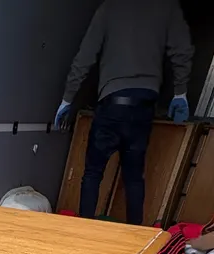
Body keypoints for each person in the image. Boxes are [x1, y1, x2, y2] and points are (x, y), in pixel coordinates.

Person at [54, 0, 194, 225]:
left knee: (92, 174)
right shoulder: (168, 7)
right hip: (144, 106)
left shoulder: (109, 8)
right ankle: (135, 241)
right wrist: (180, 93)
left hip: (112, 102)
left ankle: (82, 234)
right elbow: (182, 52)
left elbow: (85, 57)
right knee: (134, 178)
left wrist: (67, 98)